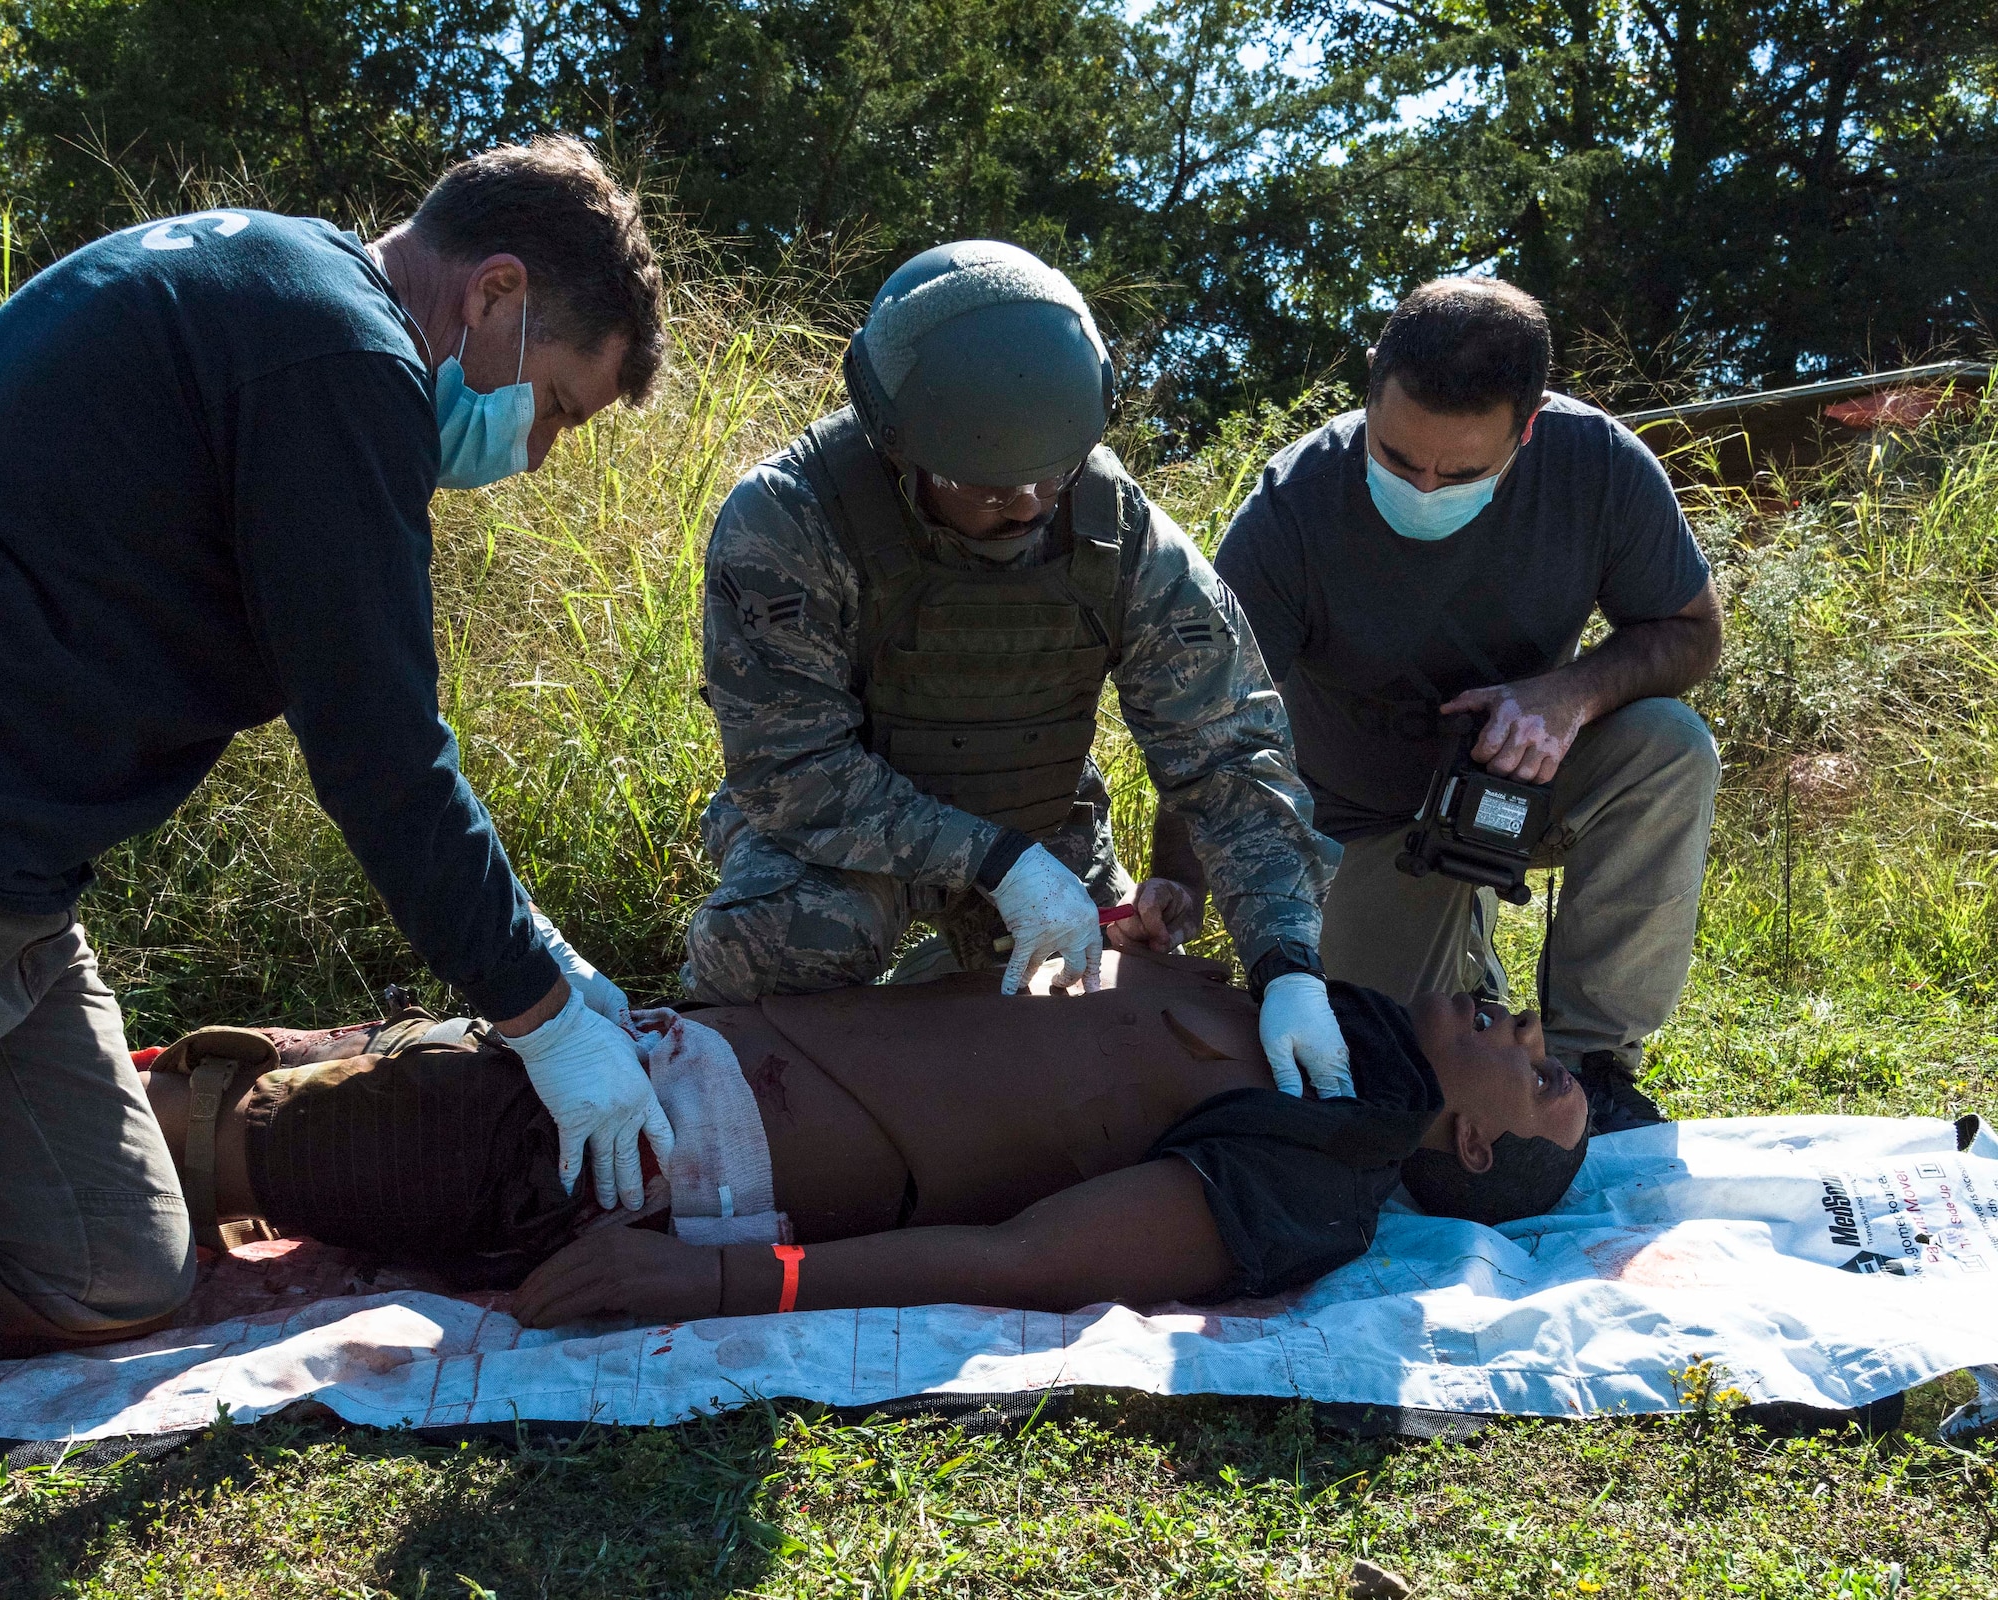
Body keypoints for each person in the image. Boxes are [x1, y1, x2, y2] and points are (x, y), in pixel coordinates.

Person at [0, 138, 674, 1355]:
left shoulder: (280, 276)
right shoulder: (342, 364)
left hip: (27, 889)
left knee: (115, 1275)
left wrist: (548, 955)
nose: (533, 454)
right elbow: (380, 757)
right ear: (497, 293)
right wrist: (545, 1019)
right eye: (557, 406)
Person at [683, 239, 1347, 1099]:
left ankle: (941, 1014)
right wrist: (998, 865)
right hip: (839, 842)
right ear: (898, 447)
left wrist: (1287, 961)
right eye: (988, 488)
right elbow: (791, 773)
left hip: (1038, 815)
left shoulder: (1115, 531)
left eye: (1052, 475)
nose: (1030, 506)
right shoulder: (792, 520)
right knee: (793, 942)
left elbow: (1227, 751)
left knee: (1102, 1028)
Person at [134, 949, 1595, 1324]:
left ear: (1471, 1152)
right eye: (1544, 1038)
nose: (1522, 1027)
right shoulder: (1294, 1005)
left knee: (210, 1141)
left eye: (1540, 1076)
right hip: (631, 1047)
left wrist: (721, 1287)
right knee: (207, 1072)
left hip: (633, 1155)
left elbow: (1029, 1263)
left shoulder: (1321, 1173)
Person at [1209, 277, 1724, 1087]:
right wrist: (1172, 886)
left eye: (1461, 474)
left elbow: (1694, 632)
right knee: (1384, 1075)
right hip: (1360, 830)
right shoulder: (1289, 511)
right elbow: (1210, 726)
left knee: (1670, 747)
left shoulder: (1599, 467)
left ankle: (1595, 1065)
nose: (1423, 489)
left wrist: (1571, 695)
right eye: (1399, 458)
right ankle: (1461, 959)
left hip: (1516, 792)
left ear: (1529, 424)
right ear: (1372, 381)